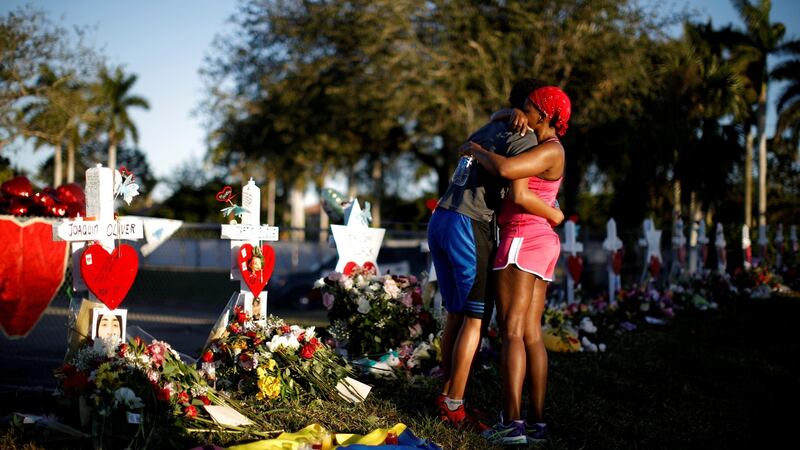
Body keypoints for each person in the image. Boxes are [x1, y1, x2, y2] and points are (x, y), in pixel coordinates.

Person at [427, 78, 563, 431]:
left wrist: (476, 144)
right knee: (477, 317)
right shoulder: (525, 135)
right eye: (528, 107)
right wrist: (554, 213)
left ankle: (448, 394)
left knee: (458, 314)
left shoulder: (494, 125)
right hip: (470, 223)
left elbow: (485, 155)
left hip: (442, 215)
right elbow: (514, 187)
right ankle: (454, 403)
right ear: (529, 110)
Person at [461, 85, 571, 445]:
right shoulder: (544, 145)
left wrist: (476, 150)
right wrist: (508, 115)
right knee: (530, 334)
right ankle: (536, 423)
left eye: (529, 107)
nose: (523, 110)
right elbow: (502, 119)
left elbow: (509, 173)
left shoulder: (549, 149)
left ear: (546, 114)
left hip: (523, 239)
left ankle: (513, 422)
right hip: (538, 242)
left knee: (511, 333)